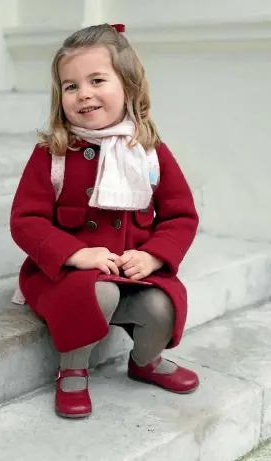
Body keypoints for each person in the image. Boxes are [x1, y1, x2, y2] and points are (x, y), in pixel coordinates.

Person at [10, 23, 199, 419]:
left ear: (127, 85)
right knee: (99, 294)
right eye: (70, 85)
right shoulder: (54, 154)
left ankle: (145, 361)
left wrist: (153, 257)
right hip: (70, 276)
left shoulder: (148, 151)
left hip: (132, 272)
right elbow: (26, 220)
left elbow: (181, 215)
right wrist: (75, 254)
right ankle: (72, 368)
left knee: (162, 304)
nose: (84, 94)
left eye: (97, 79)